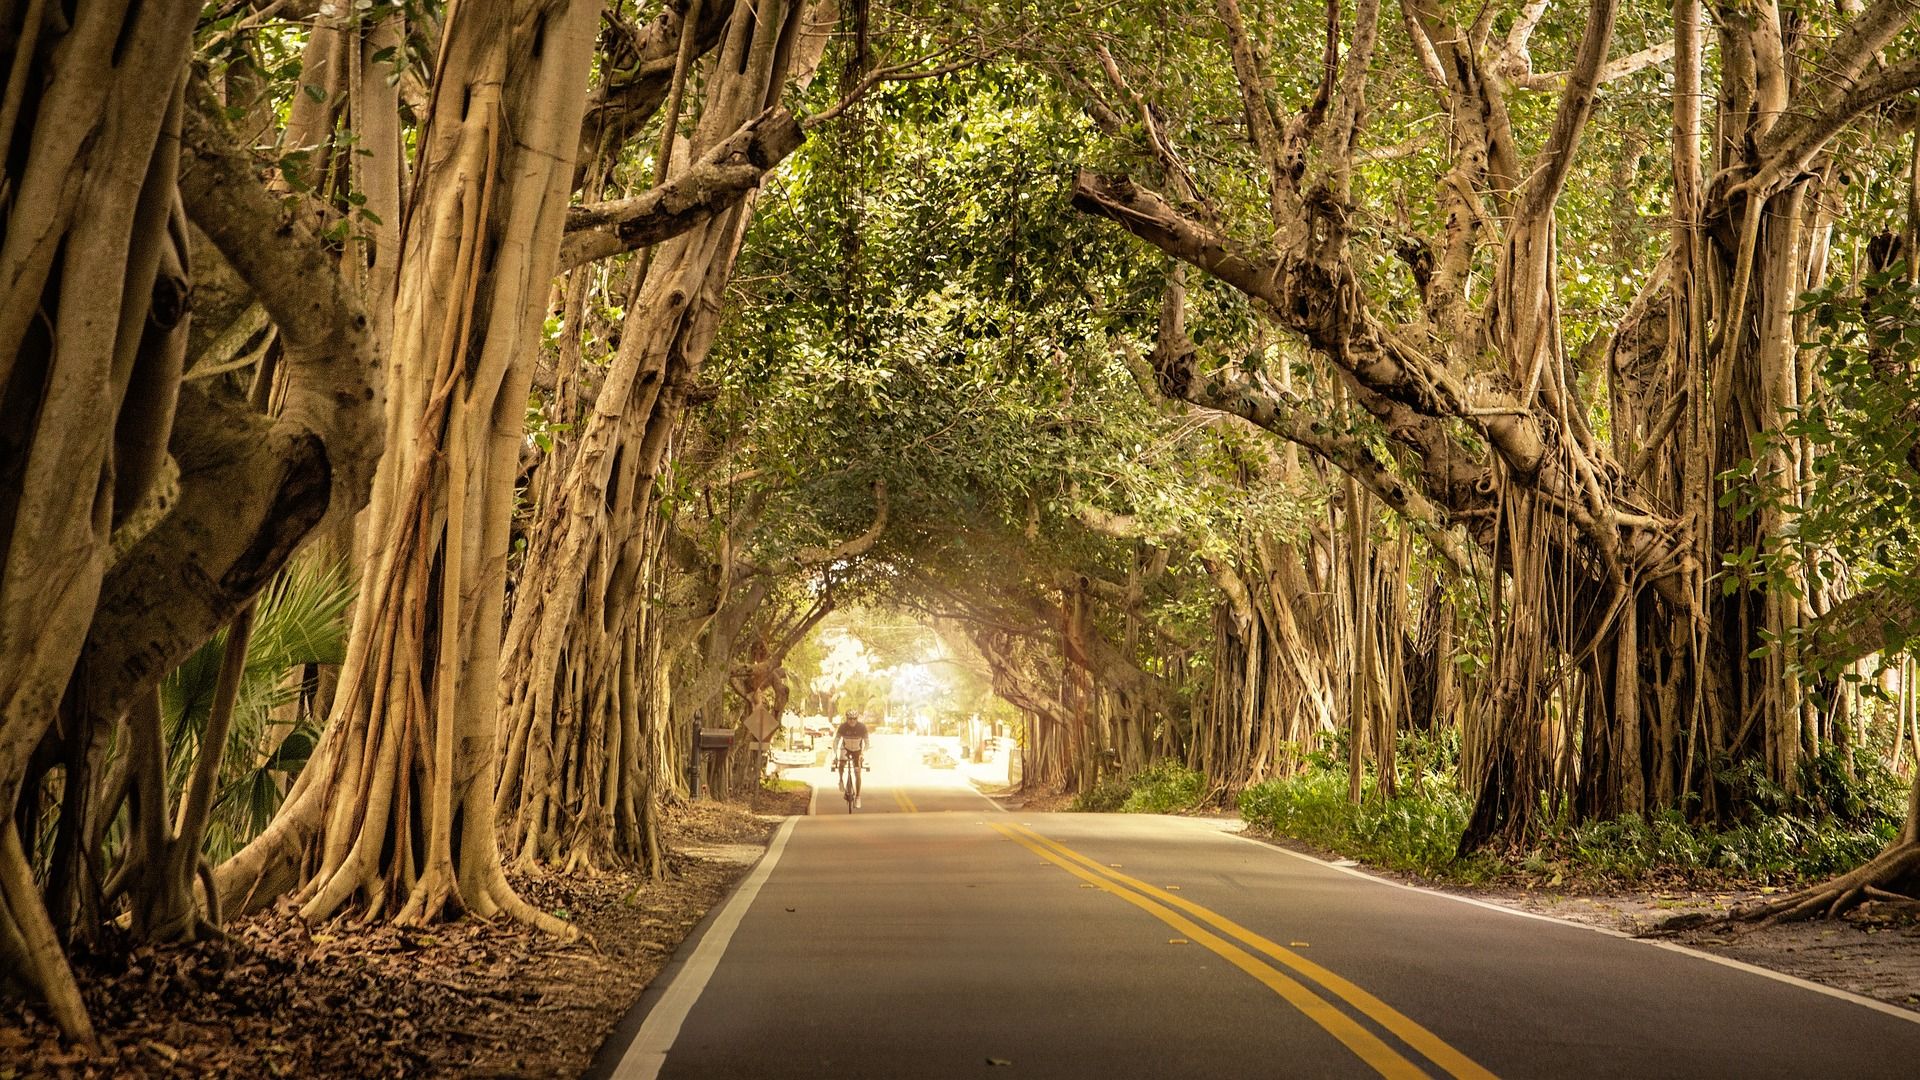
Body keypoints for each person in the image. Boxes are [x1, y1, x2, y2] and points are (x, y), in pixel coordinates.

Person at [832, 711, 870, 808]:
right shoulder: (843, 727)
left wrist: (863, 753)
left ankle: (858, 797)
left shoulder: (862, 727)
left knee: (857, 772)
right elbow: (836, 741)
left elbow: (867, 743)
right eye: (850, 719)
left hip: (857, 750)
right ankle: (840, 780)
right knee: (841, 762)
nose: (852, 721)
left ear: (857, 719)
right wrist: (835, 753)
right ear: (847, 719)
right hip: (846, 748)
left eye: (854, 719)